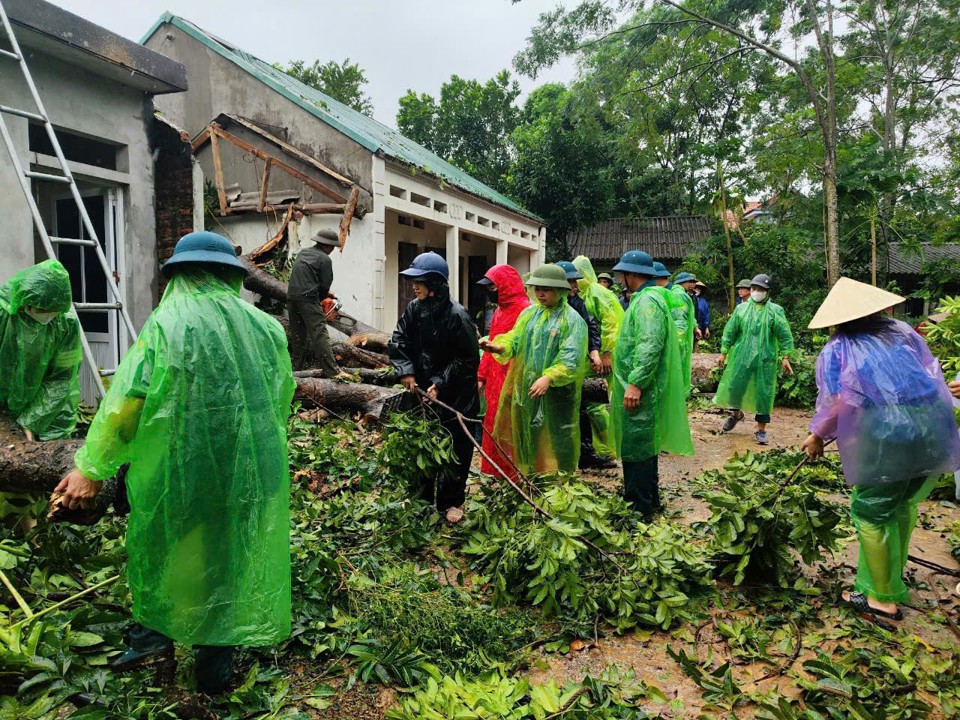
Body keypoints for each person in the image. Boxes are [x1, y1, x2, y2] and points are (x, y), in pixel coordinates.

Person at [53, 231, 296, 693]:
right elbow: (281, 399)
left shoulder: (169, 323)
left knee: (162, 547)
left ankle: (150, 641)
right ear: (231, 276)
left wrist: (93, 466)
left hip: (181, 468)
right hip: (251, 468)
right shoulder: (266, 328)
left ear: (178, 276)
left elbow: (129, 403)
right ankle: (214, 672)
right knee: (230, 555)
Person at [801, 278, 960, 621]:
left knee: (871, 513)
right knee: (902, 504)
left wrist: (816, 436)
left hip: (885, 436)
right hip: (930, 429)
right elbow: (930, 375)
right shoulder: (903, 332)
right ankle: (891, 577)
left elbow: (840, 403)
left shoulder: (839, 348)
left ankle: (880, 599)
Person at [389, 251, 479, 523]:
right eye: (413, 280)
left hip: (455, 396)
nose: (413, 286)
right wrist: (406, 371)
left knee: (455, 450)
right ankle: (422, 499)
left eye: (420, 281)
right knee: (424, 444)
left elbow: (467, 359)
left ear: (435, 284)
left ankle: (453, 502)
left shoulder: (457, 315)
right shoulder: (414, 308)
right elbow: (398, 340)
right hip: (422, 392)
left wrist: (440, 383)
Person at [480, 264, 588, 475]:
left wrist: (549, 377)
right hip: (528, 392)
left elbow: (571, 359)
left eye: (546, 289)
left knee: (557, 439)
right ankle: (530, 483)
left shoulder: (572, 320)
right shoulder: (530, 314)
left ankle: (558, 487)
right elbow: (516, 338)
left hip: (557, 395)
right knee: (529, 438)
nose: (540, 293)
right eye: (537, 288)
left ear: (560, 291)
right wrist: (501, 346)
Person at [609, 251, 693, 518]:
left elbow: (649, 344)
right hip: (639, 386)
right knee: (642, 446)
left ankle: (639, 510)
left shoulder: (647, 301)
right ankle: (649, 501)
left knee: (637, 448)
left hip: (641, 389)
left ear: (629, 275)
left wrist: (636, 383)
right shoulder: (647, 298)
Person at [0, 259, 82, 442]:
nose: (48, 315)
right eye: (43, 309)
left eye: (54, 311)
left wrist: (32, 420)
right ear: (24, 302)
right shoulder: (3, 315)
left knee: (51, 459)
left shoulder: (65, 323)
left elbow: (62, 378)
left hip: (49, 413)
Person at [715, 273, 794, 445]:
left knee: (763, 393)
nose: (757, 292)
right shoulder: (741, 309)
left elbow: (784, 335)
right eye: (754, 288)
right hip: (741, 356)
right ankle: (736, 415)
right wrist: (724, 351)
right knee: (735, 386)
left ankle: (761, 429)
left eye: (761, 289)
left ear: (767, 292)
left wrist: (785, 356)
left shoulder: (775, 311)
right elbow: (730, 331)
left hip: (766, 359)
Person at [476, 264, 530, 478]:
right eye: (489, 289)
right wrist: (481, 376)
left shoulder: (525, 310)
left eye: (493, 287)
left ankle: (513, 477)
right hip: (495, 381)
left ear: (505, 286)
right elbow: (490, 346)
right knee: (492, 427)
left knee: (510, 430)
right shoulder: (499, 311)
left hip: (513, 380)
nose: (491, 293)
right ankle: (493, 474)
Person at [556, 260, 608, 467]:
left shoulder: (577, 303)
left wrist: (594, 353)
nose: (575, 286)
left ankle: (585, 455)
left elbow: (591, 328)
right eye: (570, 282)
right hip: (550, 371)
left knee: (580, 409)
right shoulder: (541, 310)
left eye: (575, 282)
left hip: (574, 367)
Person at [287, 229, 341, 376]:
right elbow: (324, 285)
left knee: (298, 336)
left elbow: (305, 276)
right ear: (329, 246)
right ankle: (333, 371)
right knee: (319, 333)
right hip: (308, 299)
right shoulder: (325, 259)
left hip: (292, 297)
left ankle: (295, 371)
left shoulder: (303, 252)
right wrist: (323, 297)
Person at [655, 264, 695, 392]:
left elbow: (680, 322)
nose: (693, 285)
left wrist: (676, 347)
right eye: (691, 282)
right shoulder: (676, 293)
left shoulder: (677, 294)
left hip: (675, 343)